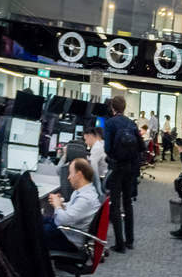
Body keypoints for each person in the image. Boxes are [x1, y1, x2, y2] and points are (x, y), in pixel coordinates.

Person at [103, 94, 142, 253]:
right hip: (131, 167)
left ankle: (119, 243)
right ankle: (130, 240)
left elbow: (107, 148)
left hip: (117, 167)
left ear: (112, 108)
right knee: (127, 202)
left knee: (115, 203)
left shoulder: (110, 123)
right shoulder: (131, 123)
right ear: (124, 108)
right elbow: (141, 146)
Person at [43, 157, 101, 254]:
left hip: (69, 240)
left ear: (79, 174)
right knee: (35, 219)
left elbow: (62, 220)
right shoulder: (83, 192)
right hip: (66, 230)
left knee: (33, 231)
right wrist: (61, 203)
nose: (68, 177)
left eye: (70, 173)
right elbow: (72, 210)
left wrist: (57, 205)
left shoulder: (85, 199)